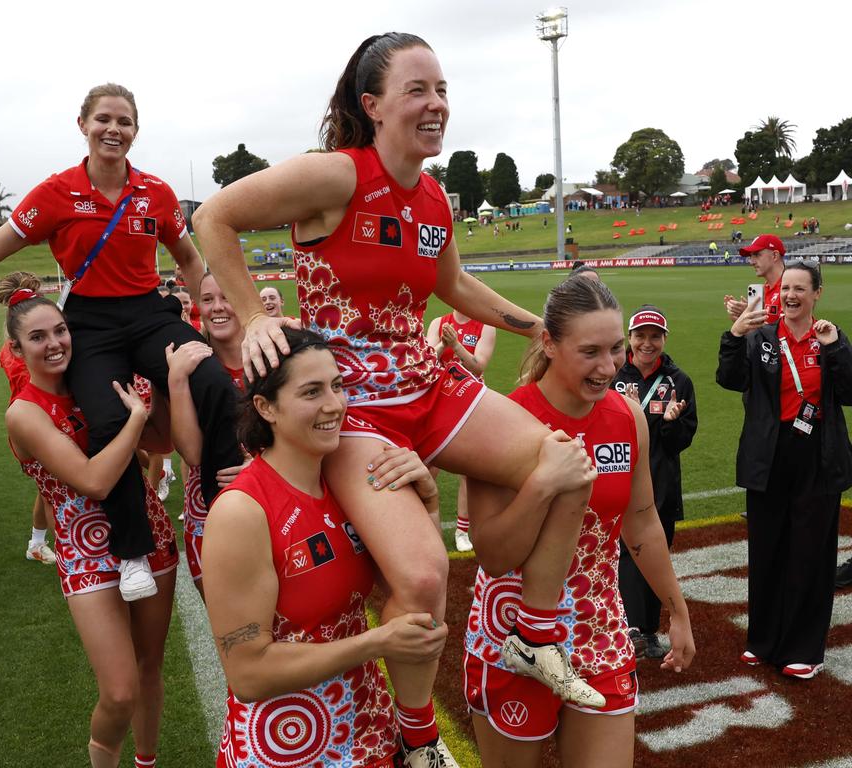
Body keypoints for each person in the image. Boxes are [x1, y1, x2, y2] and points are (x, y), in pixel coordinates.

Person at [194, 32, 604, 761]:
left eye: (442, 90)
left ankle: (531, 638)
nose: (436, 104)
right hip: (352, 408)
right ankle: (419, 742)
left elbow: (452, 287)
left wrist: (531, 322)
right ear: (373, 105)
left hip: (427, 385)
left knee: (567, 463)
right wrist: (256, 317)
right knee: (418, 576)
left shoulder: (436, 198)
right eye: (418, 90)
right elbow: (211, 217)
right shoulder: (337, 176)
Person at [0, 83, 243, 602]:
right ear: (83, 125)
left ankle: (229, 511)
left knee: (215, 382)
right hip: (91, 320)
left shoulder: (156, 192)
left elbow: (191, 258)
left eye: (125, 121)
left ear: (136, 130)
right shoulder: (57, 193)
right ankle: (132, 552)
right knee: (108, 422)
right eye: (103, 119)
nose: (114, 129)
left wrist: (203, 310)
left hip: (150, 313)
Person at [464, 275, 695, 767]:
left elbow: (642, 521)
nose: (609, 367)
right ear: (548, 343)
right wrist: (544, 484)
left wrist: (677, 610)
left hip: (599, 626)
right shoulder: (504, 419)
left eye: (615, 349)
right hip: (514, 634)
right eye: (590, 352)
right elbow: (494, 552)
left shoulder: (628, 416)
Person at [203, 327, 448, 768]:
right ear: (266, 407)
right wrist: (376, 643)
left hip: (369, 732)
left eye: (337, 386)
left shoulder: (345, 485)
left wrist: (428, 503)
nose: (334, 405)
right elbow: (248, 673)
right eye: (312, 392)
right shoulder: (243, 511)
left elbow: (410, 580)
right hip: (285, 748)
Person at [0, 273, 179, 767]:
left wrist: (158, 383)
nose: (55, 344)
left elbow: (161, 445)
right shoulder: (25, 412)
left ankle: (146, 761)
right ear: (16, 349)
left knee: (148, 670)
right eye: (38, 337)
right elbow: (94, 482)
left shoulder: (100, 378)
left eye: (60, 331)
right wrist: (135, 421)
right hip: (85, 553)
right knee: (119, 692)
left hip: (151, 534)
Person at [717, 259, 852, 679]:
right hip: (768, 457)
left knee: (811, 556)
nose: (791, 295)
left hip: (817, 458)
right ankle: (763, 641)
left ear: (817, 294)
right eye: (786, 288)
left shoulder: (829, 337)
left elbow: (849, 392)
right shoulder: (760, 338)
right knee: (767, 550)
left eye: (800, 288)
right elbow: (729, 377)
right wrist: (735, 335)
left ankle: (804, 650)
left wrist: (836, 350)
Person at [612, 305, 697, 659]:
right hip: (616, 479)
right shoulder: (613, 374)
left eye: (655, 336)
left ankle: (647, 629)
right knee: (620, 558)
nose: (647, 343)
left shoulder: (679, 381)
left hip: (660, 485)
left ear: (664, 339)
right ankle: (625, 629)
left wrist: (673, 423)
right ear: (629, 339)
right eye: (641, 336)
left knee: (655, 555)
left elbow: (682, 441)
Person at [165, 272, 249, 599]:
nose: (216, 308)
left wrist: (262, 468)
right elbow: (192, 453)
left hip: (272, 504)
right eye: (208, 300)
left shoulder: (275, 357)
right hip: (209, 513)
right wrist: (176, 381)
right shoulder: (191, 363)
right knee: (230, 631)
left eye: (226, 296)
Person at [0, 272, 57, 565]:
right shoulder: (19, 350)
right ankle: (73, 551)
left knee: (46, 488)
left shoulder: (13, 344)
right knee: (51, 490)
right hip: (35, 422)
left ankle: (36, 542)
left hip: (35, 421)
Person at [425, 310, 495, 552]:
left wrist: (455, 345)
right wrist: (442, 344)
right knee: (427, 468)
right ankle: (422, 525)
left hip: (469, 403)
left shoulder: (485, 326)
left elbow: (478, 367)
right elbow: (426, 362)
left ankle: (462, 531)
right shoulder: (438, 322)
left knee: (468, 472)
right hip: (438, 400)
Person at [725, 234, 785, 324]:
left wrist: (751, 315)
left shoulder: (792, 288)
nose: (751, 262)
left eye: (757, 255)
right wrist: (742, 320)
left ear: (775, 256)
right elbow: (763, 334)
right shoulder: (766, 288)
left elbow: (788, 334)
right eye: (750, 256)